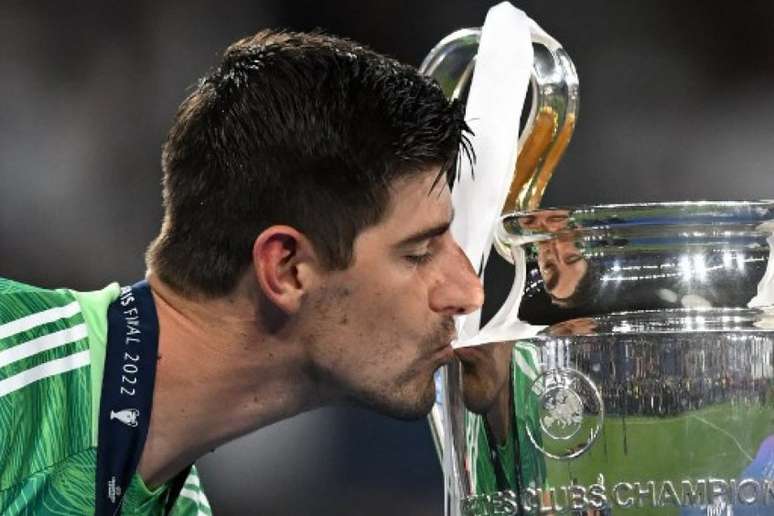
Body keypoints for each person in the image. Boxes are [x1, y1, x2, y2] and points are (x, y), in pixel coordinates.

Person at [0, 29, 484, 514]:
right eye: (419, 252)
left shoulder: (178, 504)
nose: (468, 291)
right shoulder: (12, 368)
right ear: (287, 269)